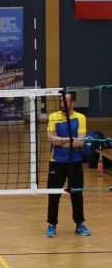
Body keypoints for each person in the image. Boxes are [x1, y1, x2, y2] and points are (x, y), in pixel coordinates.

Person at [46, 90, 91, 238]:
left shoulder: (81, 118)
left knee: (77, 193)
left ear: (72, 102)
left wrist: (60, 141)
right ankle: (52, 224)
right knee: (53, 194)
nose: (62, 104)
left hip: (75, 162)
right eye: (61, 101)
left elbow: (80, 143)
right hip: (56, 162)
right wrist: (71, 140)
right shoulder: (53, 117)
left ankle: (79, 224)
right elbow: (51, 140)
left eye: (65, 102)